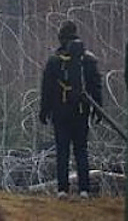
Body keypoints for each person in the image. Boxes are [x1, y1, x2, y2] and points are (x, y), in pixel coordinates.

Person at [39, 20, 103, 199]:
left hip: (60, 112)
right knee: (81, 150)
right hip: (81, 111)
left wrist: (44, 111)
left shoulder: (54, 61)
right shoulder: (88, 59)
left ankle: (62, 190)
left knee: (62, 151)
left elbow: (47, 89)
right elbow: (95, 86)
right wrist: (98, 108)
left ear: (61, 38)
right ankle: (84, 190)